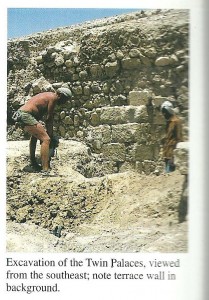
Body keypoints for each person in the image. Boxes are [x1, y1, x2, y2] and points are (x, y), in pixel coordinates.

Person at [12, 87, 72, 172]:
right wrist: (50, 135)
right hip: (25, 115)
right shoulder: (53, 98)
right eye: (65, 100)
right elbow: (49, 119)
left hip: (21, 114)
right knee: (46, 139)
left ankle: (33, 163)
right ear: (61, 95)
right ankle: (45, 169)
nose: (64, 103)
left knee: (35, 136)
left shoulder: (48, 96)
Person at [161, 100, 183, 173]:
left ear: (168, 111)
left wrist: (176, 153)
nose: (164, 114)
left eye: (165, 112)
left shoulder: (176, 121)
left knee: (170, 173)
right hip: (167, 153)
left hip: (173, 153)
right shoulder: (168, 122)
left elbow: (179, 138)